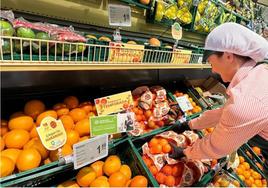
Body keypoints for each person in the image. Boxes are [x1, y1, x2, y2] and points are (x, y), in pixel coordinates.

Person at [169, 23, 268, 169]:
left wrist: (186, 153)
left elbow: (217, 147)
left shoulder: (245, 102)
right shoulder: (258, 73)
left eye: (210, 62)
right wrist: (190, 124)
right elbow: (223, 113)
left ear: (228, 56)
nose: (212, 70)